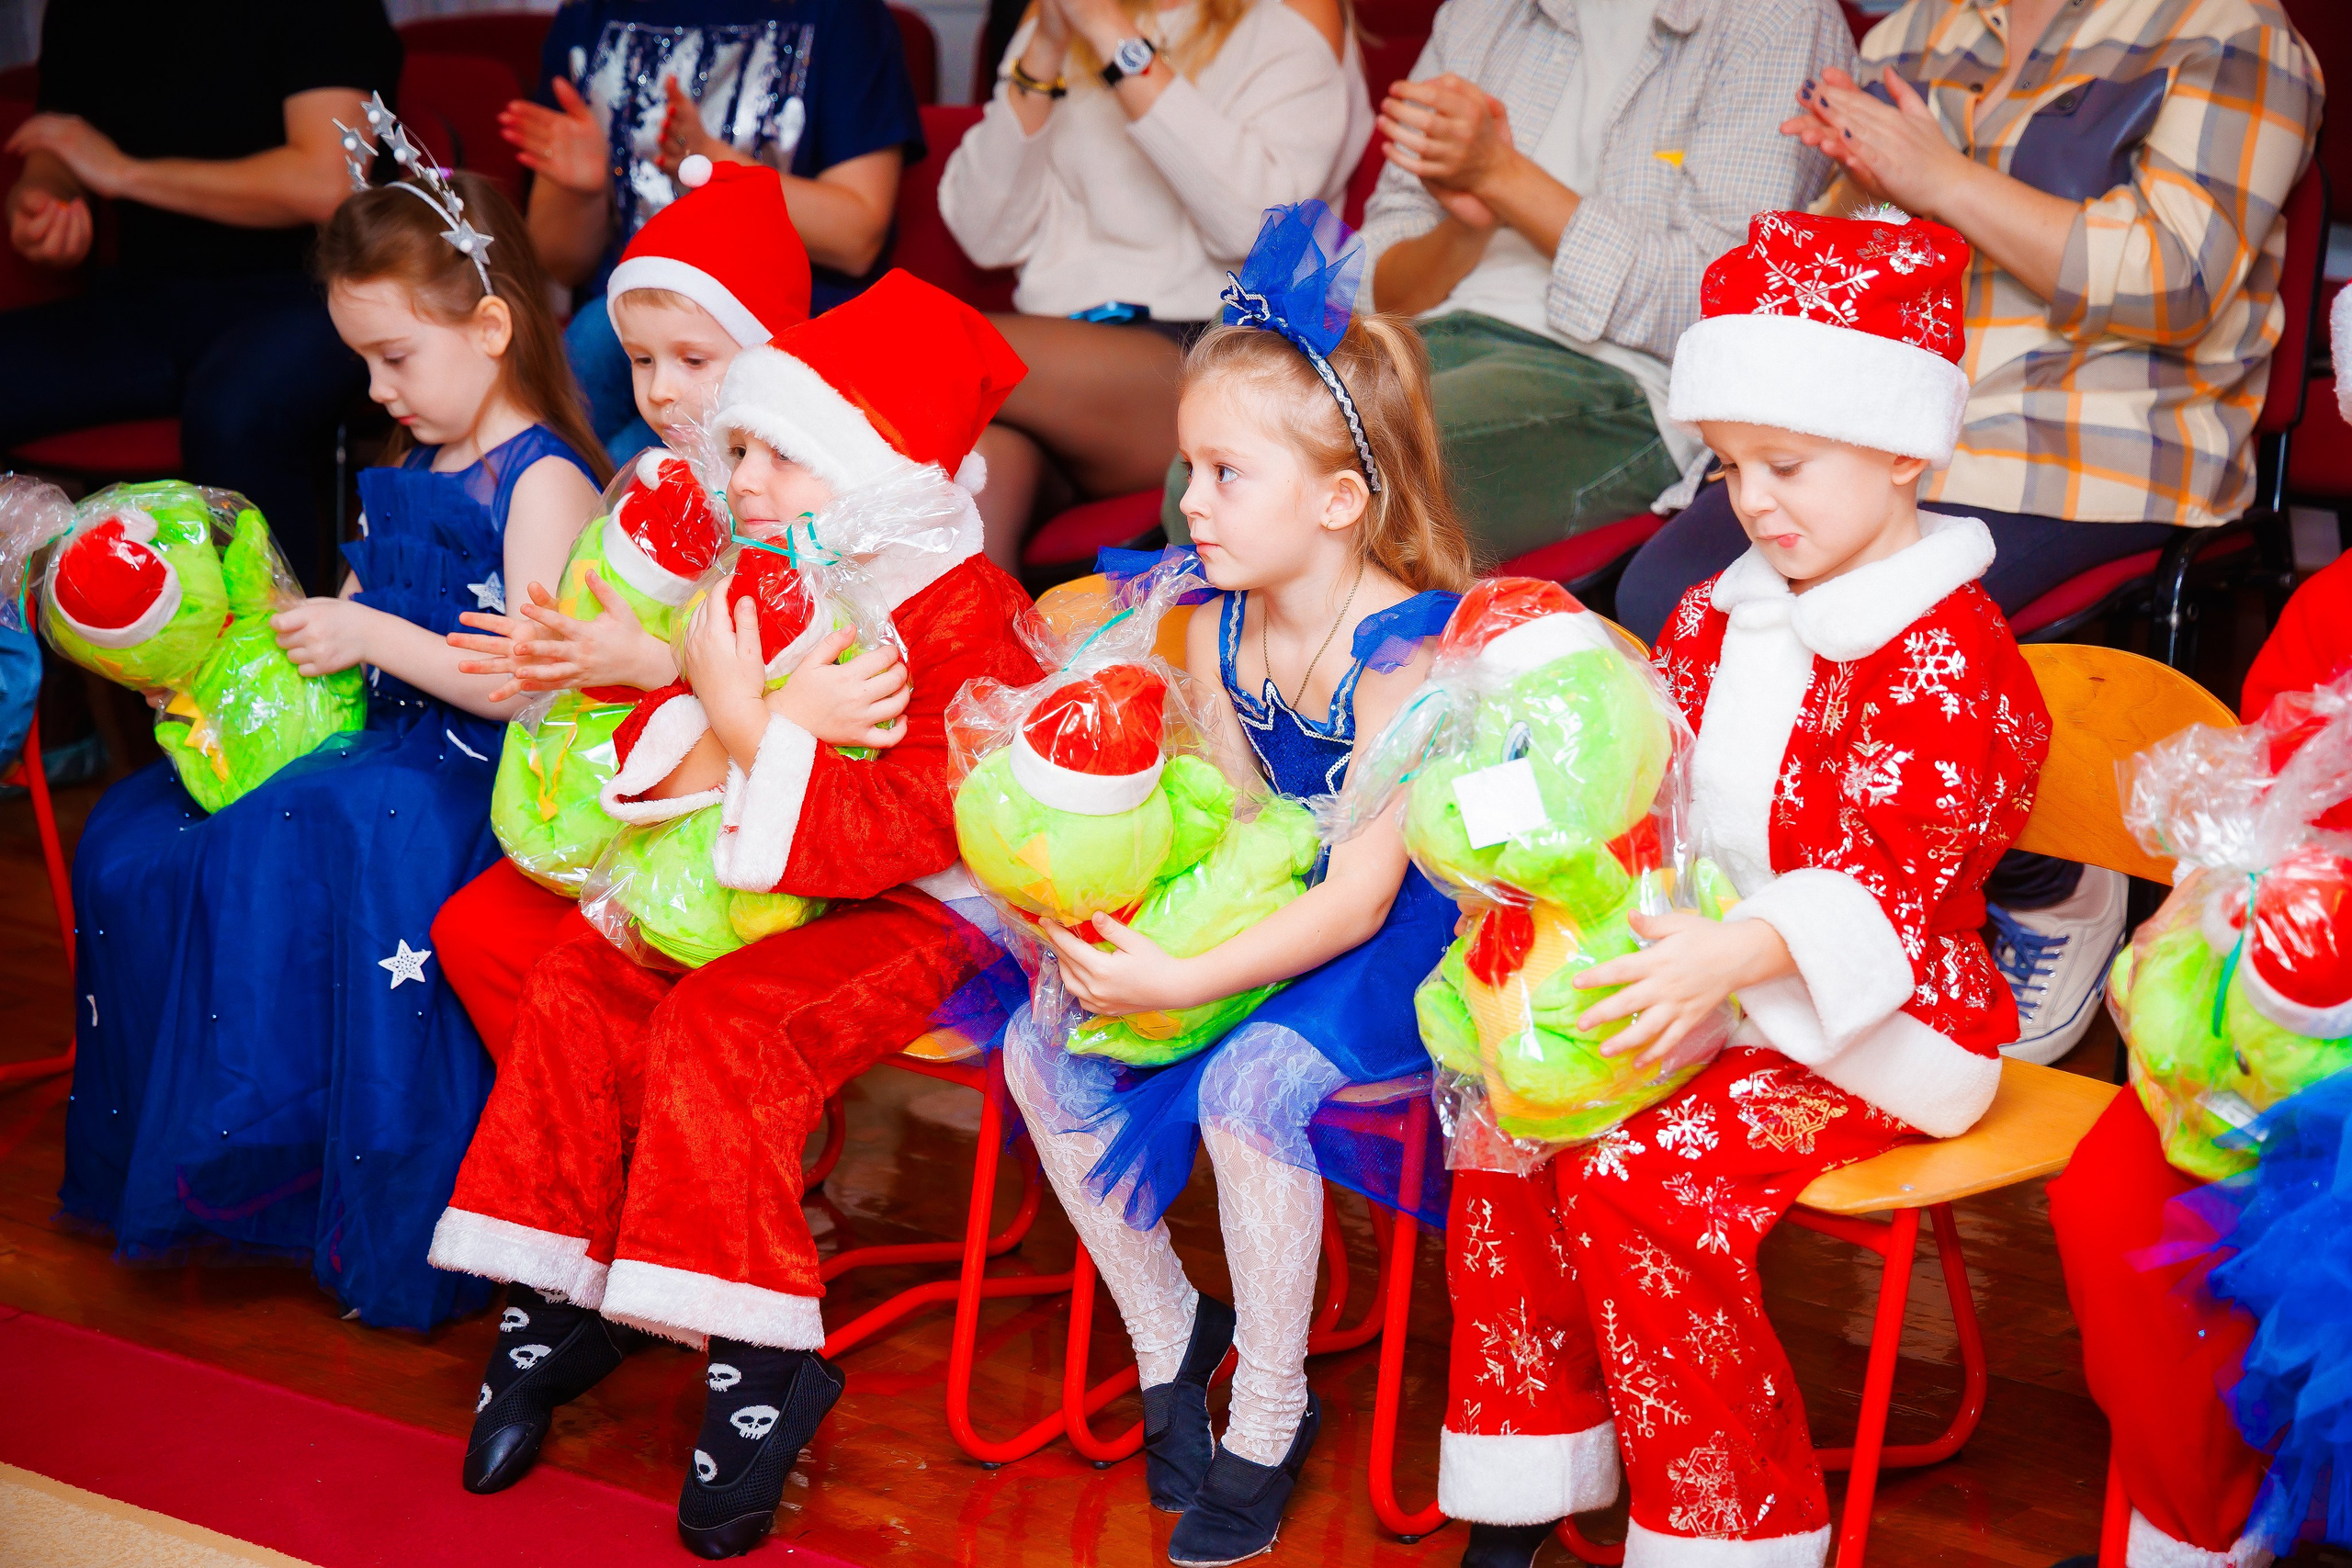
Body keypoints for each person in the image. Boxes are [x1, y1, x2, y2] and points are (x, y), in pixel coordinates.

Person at [1436, 209, 2046, 1568]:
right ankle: (1528, 1471)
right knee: (1513, 1114)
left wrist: (1737, 959)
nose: (1755, 497)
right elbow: (1641, 779)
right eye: (1729, 465)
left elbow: (1895, 886)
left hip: (1879, 1018)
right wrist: (1507, 828)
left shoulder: (1951, 657)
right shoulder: (1721, 605)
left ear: (1904, 447)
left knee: (1642, 1176)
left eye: (1788, 463)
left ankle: (1730, 1521)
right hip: (1699, 964)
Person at [424, 273, 1042, 1558]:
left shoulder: (962, 612)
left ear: (870, 466)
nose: (740, 475)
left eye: (778, 452)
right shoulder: (772, 573)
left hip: (929, 914)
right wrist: (729, 714)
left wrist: (741, 711)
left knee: (726, 1025)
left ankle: (760, 1355)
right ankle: (554, 1286)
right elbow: (686, 750)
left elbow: (900, 832)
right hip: (768, 885)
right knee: (586, 972)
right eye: (741, 446)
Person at [1616, 0, 2323, 1064]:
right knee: (1668, 593)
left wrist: (1935, 176)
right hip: (1864, 428)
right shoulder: (1915, 35)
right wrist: (1852, 196)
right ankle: (1783, 898)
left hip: (2085, 442)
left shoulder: (2229, 31)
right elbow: (1839, 285)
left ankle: (2041, 875)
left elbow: (2176, 283)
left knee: (1913, 641)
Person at [56, 141, 607, 1333]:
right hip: (384, 736)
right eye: (362, 358)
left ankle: (378, 1190)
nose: (374, 388)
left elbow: (524, 687)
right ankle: (269, 1150)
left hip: (473, 768)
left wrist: (363, 631)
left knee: (342, 827)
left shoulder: (543, 480)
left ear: (495, 327)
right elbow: (350, 624)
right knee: (140, 828)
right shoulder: (415, 459)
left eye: (395, 355)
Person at [1001, 203, 1468, 1566]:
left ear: (1338, 499)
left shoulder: (1409, 665)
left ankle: (1272, 1396)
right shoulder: (1216, 625)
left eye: (1223, 471)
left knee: (1251, 1080)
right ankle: (1168, 1323)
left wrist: (1189, 976)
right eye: (1187, 467)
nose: (1187, 501)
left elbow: (1361, 899)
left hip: (1395, 932)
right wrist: (1120, 911)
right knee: (1048, 1032)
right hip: (1281, 896)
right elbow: (1241, 826)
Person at [2041, 322, 2352, 1568]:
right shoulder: (2332, 604)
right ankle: (2196, 1530)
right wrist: (2178, 935)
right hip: (2282, 1020)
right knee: (2117, 1196)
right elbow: (2241, 819)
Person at [429, 153, 814, 1060]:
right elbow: (601, 608)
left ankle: (651, 1144)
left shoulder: (805, 513)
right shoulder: (650, 480)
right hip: (614, 799)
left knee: (588, 972)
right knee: (473, 931)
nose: (659, 390)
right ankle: (585, 1137)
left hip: (727, 835)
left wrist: (644, 668)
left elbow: (785, 690)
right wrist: (558, 652)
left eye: (693, 360)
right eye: (641, 360)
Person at [1350, 0, 1851, 563]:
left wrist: (1502, 176)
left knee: (1330, 448)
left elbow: (1729, 303)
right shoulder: (1479, 12)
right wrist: (1469, 227)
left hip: (1627, 380)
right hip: (1435, 331)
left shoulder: (1776, 16)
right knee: (1244, 381)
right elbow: (1377, 284)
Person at [937, 0, 1373, 569]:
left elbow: (1256, 224)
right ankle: (986, 659)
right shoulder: (1050, 22)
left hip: (1208, 352)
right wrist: (1043, 49)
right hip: (1052, 372)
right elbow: (984, 234)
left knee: (919, 337)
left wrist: (1107, 32)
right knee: (970, 485)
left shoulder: (1290, 15)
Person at [0, 0, 401, 592]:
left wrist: (124, 174)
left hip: (312, 291)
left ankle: (280, 660)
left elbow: (330, 181)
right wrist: (40, 204)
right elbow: (58, 149)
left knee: (236, 414)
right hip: (142, 299)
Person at [503, 0, 925, 467]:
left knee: (631, 463)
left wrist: (714, 161)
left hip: (770, 336)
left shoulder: (842, 16)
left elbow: (856, 236)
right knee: (562, 399)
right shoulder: (589, 13)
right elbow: (559, 258)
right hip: (629, 331)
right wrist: (584, 191)